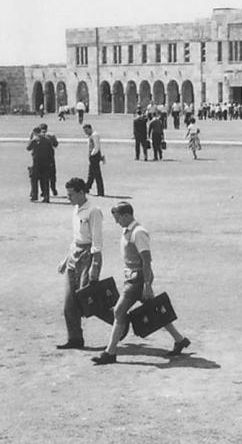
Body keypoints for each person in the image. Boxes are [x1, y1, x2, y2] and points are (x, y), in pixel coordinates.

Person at [92, 202, 190, 364]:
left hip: (136, 280)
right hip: (133, 278)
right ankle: (179, 340)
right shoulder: (129, 231)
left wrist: (147, 284)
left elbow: (146, 261)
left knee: (118, 312)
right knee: (155, 310)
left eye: (118, 218)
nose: (116, 222)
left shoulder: (138, 233)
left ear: (126, 215)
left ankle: (110, 352)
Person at [56, 177, 104, 349]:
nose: (68, 198)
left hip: (88, 256)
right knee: (70, 301)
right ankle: (75, 338)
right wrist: (66, 259)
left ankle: (119, 321)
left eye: (71, 195)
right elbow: (75, 237)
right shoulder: (75, 209)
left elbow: (97, 241)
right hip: (74, 256)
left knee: (86, 300)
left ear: (81, 192)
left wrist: (95, 266)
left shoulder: (93, 211)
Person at [27, 126, 55, 202]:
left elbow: (28, 148)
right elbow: (51, 151)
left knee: (34, 180)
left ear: (35, 132)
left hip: (36, 162)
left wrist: (30, 139)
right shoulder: (47, 140)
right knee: (45, 181)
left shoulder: (34, 140)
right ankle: (46, 197)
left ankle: (34, 196)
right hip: (46, 163)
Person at [83, 124, 105, 196]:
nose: (85, 132)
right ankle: (86, 188)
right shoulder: (91, 136)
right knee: (91, 174)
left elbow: (96, 147)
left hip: (94, 156)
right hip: (93, 156)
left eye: (86, 130)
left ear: (90, 128)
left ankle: (100, 191)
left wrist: (92, 155)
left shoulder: (94, 135)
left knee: (97, 174)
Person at [40, 123, 59, 195]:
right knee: (52, 174)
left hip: (40, 157)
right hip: (50, 157)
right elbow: (56, 144)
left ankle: (43, 190)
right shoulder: (51, 135)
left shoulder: (37, 135)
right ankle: (53, 188)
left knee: (42, 175)